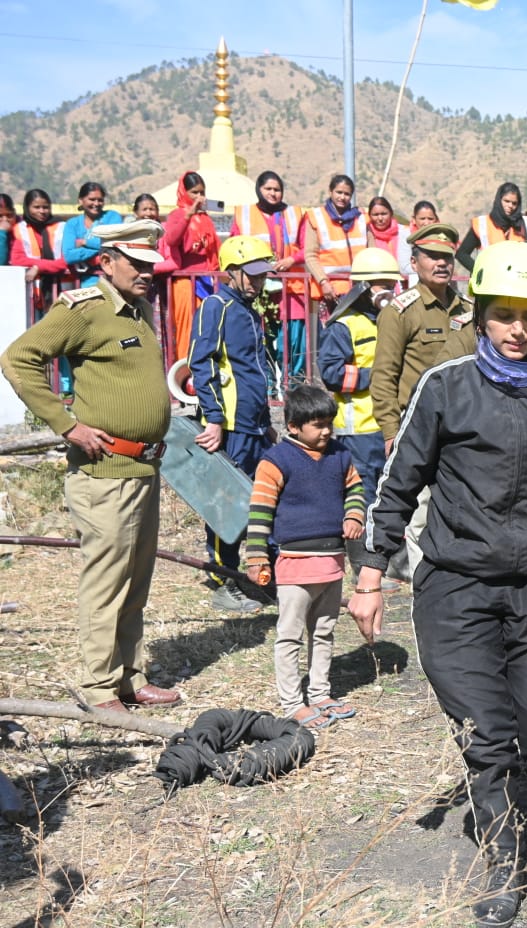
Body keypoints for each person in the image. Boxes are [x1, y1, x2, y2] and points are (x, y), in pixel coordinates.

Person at [349, 240, 527, 926]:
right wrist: (370, 575)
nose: (516, 330)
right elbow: (397, 483)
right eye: (502, 315)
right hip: (455, 589)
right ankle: (503, 855)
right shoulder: (446, 387)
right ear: (481, 316)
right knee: (485, 733)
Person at [0, 220, 180, 712]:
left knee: (135, 582)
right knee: (107, 582)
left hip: (142, 469)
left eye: (150, 264)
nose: (146, 272)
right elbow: (18, 358)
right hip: (104, 472)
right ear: (106, 262)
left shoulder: (138, 309)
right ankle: (99, 688)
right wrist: (67, 425)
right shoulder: (85, 309)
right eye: (136, 263)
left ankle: (129, 677)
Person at [245, 384, 365, 731]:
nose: (327, 431)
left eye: (329, 423)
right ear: (293, 426)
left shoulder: (340, 455)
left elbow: (356, 489)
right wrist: (256, 557)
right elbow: (260, 511)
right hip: (296, 563)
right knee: (290, 635)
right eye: (318, 424)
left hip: (332, 562)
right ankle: (292, 703)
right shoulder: (276, 461)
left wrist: (354, 514)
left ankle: (320, 693)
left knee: (324, 630)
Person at [370, 222, 469, 581]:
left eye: (447, 257)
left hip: (463, 426)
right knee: (420, 515)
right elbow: (384, 376)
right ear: (414, 262)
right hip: (419, 428)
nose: (442, 263)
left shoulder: (467, 309)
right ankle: (423, 586)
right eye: (432, 256)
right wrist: (390, 431)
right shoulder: (400, 312)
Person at [188, 235, 280, 614]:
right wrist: (213, 419)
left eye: (263, 275)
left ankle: (264, 576)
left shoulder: (250, 311)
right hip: (229, 427)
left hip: (255, 426)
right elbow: (201, 363)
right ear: (232, 272)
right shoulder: (216, 306)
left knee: (263, 500)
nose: (259, 281)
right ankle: (223, 580)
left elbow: (254, 370)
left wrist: (266, 422)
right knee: (225, 502)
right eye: (252, 274)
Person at [318, 247, 400, 584]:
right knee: (362, 497)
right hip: (359, 430)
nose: (389, 291)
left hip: (389, 426)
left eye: (392, 285)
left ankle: (389, 562)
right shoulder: (344, 326)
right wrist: (377, 376)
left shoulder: (393, 321)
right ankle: (362, 567)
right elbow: (331, 373)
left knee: (389, 494)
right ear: (364, 287)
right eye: (382, 285)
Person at [231, 171, 308, 378]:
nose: (273, 193)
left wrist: (291, 260)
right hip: (258, 287)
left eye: (277, 190)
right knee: (262, 337)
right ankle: (268, 386)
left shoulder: (295, 214)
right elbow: (234, 246)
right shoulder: (244, 214)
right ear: (259, 189)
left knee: (293, 341)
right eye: (268, 189)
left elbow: (308, 247)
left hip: (292, 289)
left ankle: (294, 384)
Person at [163, 171, 222, 363]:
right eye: (194, 192)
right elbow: (171, 239)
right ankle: (185, 371)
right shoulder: (176, 215)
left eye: (202, 192)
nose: (199, 197)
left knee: (208, 329)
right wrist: (188, 215)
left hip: (207, 280)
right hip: (185, 282)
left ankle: (206, 369)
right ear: (184, 192)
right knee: (187, 329)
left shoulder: (205, 218)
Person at [303, 174, 367, 308]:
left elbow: (371, 252)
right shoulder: (316, 217)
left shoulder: (362, 218)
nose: (342, 197)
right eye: (339, 192)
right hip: (330, 292)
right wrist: (323, 282)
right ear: (330, 192)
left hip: (359, 290)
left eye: (347, 194)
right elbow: (310, 255)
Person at [457, 182, 527, 273]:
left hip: (520, 278)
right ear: (499, 200)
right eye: (506, 201)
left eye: (514, 203)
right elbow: (462, 254)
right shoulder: (482, 224)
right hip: (490, 280)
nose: (510, 206)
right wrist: (479, 272)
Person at [10, 189, 68, 315]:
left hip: (61, 291)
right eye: (36, 207)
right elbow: (17, 260)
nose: (42, 211)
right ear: (27, 207)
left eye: (45, 207)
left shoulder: (62, 227)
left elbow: (66, 260)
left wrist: (38, 267)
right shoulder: (20, 229)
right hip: (33, 293)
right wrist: (49, 265)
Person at [62, 182, 122, 288]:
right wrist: (101, 251)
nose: (96, 203)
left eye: (100, 200)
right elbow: (69, 256)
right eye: (92, 199)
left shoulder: (112, 217)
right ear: (81, 200)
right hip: (81, 284)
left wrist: (85, 242)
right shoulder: (72, 224)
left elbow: (114, 243)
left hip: (110, 281)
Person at [365, 196, 411, 281]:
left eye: (384, 214)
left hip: (404, 283)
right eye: (375, 215)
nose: (380, 218)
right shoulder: (365, 235)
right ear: (370, 216)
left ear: (391, 213)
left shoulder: (404, 232)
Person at [0, 193, 12, 266]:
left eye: (9, 215)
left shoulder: (21, 230)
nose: (5, 220)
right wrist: (2, 233)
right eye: (0, 216)